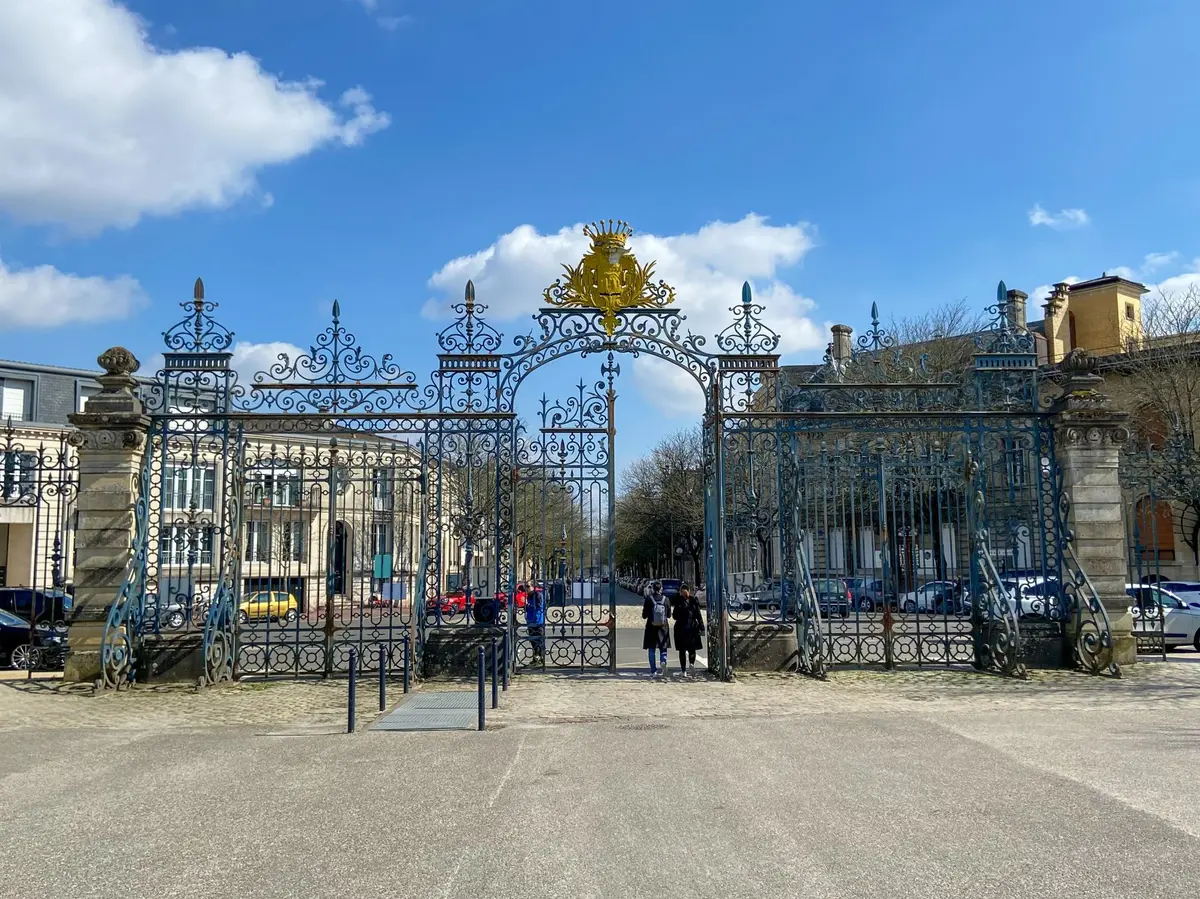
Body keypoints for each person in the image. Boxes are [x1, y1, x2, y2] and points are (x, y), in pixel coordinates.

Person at [672, 584, 705, 677]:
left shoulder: (679, 601)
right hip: (693, 628)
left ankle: (683, 671)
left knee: (682, 651)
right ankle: (692, 664)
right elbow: (698, 615)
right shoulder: (694, 600)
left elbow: (674, 616)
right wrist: (702, 628)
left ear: (681, 592)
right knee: (692, 649)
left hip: (681, 628)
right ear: (689, 591)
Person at [642, 581, 671, 676]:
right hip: (663, 627)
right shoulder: (666, 599)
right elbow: (669, 615)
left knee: (651, 649)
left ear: (653, 589)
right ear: (661, 589)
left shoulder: (649, 599)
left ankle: (653, 670)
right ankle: (663, 661)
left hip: (651, 627)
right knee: (663, 647)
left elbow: (644, 615)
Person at [525, 585, 546, 665]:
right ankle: (536, 658)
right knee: (533, 640)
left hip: (538, 621)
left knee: (539, 640)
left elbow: (539, 606)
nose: (526, 589)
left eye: (527, 586)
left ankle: (541, 658)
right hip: (531, 620)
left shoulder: (538, 595)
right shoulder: (529, 595)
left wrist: (528, 605)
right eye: (525, 587)